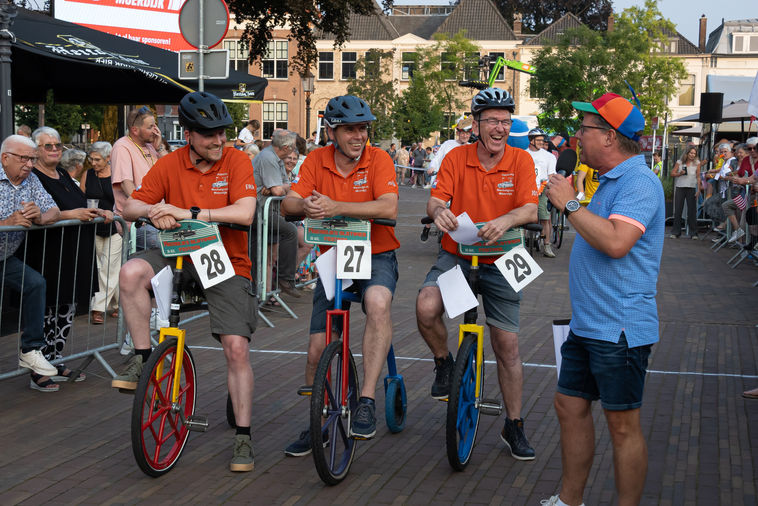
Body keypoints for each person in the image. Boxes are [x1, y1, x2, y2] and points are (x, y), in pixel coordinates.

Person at [110, 91, 258, 472]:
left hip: (225, 261)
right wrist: (154, 210)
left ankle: (243, 436)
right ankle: (144, 360)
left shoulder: (238, 161)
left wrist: (188, 212)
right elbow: (130, 206)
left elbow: (245, 213)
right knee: (130, 273)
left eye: (222, 132)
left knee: (236, 348)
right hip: (179, 254)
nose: (219, 140)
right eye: (210, 134)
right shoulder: (170, 163)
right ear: (188, 134)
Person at [542, 92, 664, 506]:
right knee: (569, 405)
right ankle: (569, 500)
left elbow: (615, 242)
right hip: (589, 324)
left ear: (610, 137)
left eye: (584, 129)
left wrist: (569, 202)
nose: (576, 138)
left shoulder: (639, 182)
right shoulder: (612, 179)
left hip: (620, 329)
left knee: (622, 426)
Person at [416, 87, 538, 460]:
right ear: (476, 124)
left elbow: (530, 209)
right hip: (459, 255)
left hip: (504, 259)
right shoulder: (456, 157)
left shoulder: (521, 160)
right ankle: (444, 363)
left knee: (507, 345)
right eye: (493, 121)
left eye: (506, 121)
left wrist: (507, 219)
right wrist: (439, 212)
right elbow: (436, 199)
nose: (500, 128)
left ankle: (513, 424)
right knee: (426, 306)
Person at [281, 94, 399, 455]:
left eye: (363, 128)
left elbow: (389, 208)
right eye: (350, 129)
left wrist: (337, 207)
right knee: (317, 348)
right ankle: (316, 423)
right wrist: (305, 204)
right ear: (332, 132)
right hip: (334, 257)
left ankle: (366, 401)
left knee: (377, 304)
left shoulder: (379, 159)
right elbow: (288, 203)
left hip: (376, 253)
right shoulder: (317, 160)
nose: (359, 136)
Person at [25, 126, 104, 390]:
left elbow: (79, 203)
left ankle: (55, 359)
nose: (55, 149)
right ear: (36, 150)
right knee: (45, 311)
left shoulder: (62, 174)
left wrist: (97, 213)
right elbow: (40, 213)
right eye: (48, 145)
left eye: (58, 145)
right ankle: (38, 368)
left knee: (65, 309)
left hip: (73, 252)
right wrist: (74, 215)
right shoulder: (32, 177)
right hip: (47, 253)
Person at [0, 134, 61, 387]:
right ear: (5, 158)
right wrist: (6, 223)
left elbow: (54, 209)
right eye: (23, 158)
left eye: (32, 159)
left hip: (5, 258)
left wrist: (41, 217)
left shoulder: (31, 180)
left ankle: (31, 349)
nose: (29, 164)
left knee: (35, 283)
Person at [251, 129, 302, 300]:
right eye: (293, 147)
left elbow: (286, 186)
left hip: (267, 209)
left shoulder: (276, 158)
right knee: (290, 231)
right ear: (286, 147)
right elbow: (279, 190)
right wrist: (279, 188)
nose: (294, 150)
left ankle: (262, 293)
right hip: (259, 210)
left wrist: (280, 188)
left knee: (263, 255)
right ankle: (285, 279)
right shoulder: (268, 158)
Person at [111, 106, 165, 250]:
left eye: (155, 126)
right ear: (135, 130)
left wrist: (159, 148)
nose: (155, 130)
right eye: (150, 127)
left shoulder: (151, 146)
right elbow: (126, 184)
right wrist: (143, 209)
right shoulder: (122, 146)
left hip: (156, 218)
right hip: (139, 223)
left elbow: (172, 170)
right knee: (167, 249)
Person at [81, 141, 122, 324]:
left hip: (116, 226)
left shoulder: (117, 175)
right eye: (91, 159)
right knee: (101, 268)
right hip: (93, 227)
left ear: (108, 158)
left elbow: (124, 199)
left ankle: (98, 307)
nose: (93, 163)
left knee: (109, 268)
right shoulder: (87, 174)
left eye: (97, 159)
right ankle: (119, 303)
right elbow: (80, 197)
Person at [526, 127, 557, 258]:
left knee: (545, 217)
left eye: (542, 140)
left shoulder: (549, 156)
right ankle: (521, 244)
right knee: (523, 217)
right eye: (538, 140)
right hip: (527, 189)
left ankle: (547, 245)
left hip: (542, 189)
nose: (541, 142)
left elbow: (551, 175)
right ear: (531, 140)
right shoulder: (523, 154)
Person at [670, 146, 704, 240]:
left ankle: (694, 233)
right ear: (687, 153)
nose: (692, 155)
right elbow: (672, 173)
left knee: (692, 211)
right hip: (680, 187)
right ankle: (676, 232)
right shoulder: (679, 162)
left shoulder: (697, 163)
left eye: (694, 153)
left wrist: (698, 190)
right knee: (678, 210)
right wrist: (679, 173)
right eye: (691, 153)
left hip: (691, 187)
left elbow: (698, 176)